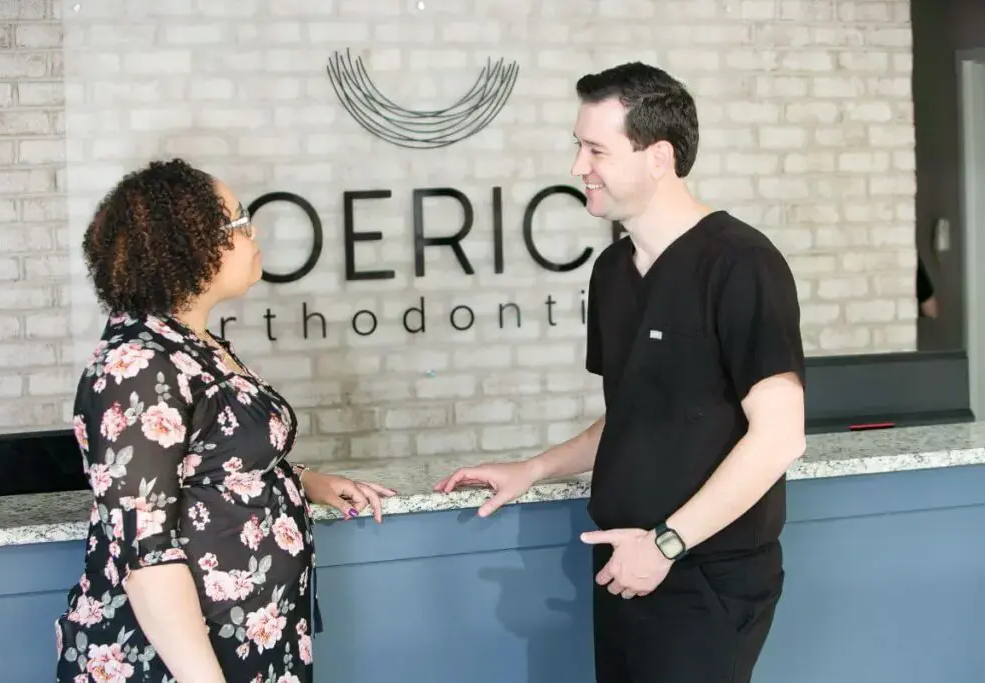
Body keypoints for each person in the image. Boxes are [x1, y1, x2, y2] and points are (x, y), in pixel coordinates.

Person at [434, 62, 807, 683]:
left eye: (595, 149)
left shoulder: (742, 264)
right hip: (624, 561)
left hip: (702, 571)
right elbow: (632, 416)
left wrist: (666, 543)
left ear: (658, 157)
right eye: (578, 146)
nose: (579, 167)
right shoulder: (611, 272)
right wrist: (534, 468)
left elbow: (779, 436)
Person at [55, 158, 396, 683]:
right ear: (185, 246)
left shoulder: (193, 345)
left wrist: (308, 482)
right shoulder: (138, 367)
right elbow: (145, 553)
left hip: (250, 637)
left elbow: (212, 460)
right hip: (179, 661)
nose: (252, 233)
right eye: (237, 223)